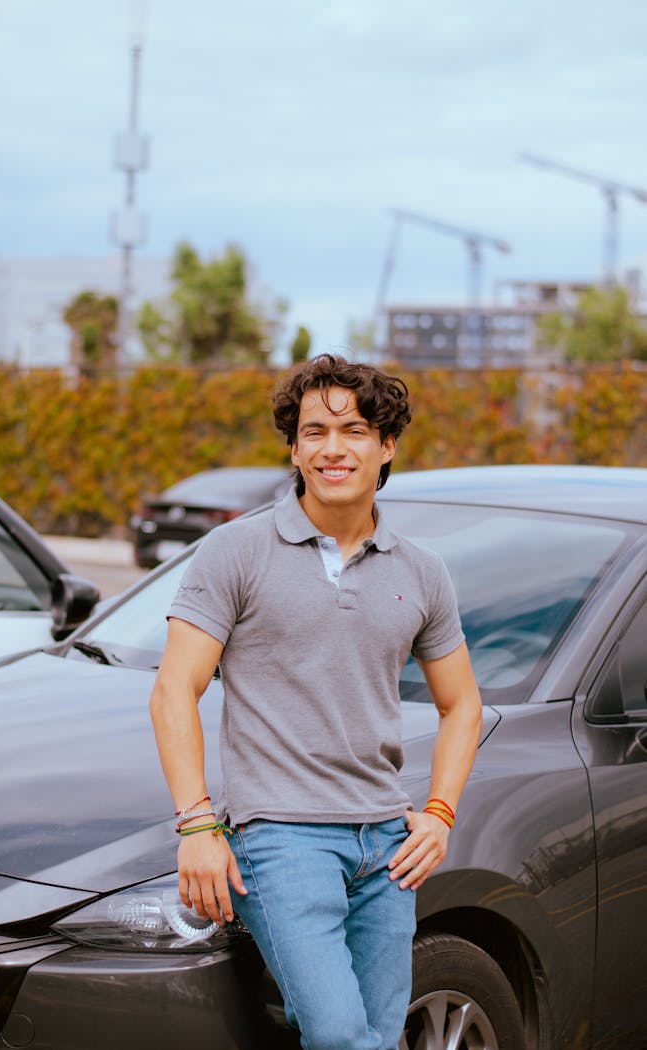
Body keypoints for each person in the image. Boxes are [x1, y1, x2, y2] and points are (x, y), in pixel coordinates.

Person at [150, 354, 483, 1050]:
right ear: (295, 448)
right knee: (339, 1036)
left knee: (380, 1032)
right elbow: (173, 689)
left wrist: (439, 813)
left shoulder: (422, 571)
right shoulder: (236, 551)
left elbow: (462, 706)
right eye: (316, 432)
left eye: (355, 430)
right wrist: (196, 826)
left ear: (386, 446)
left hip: (388, 845)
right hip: (281, 837)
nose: (334, 448)